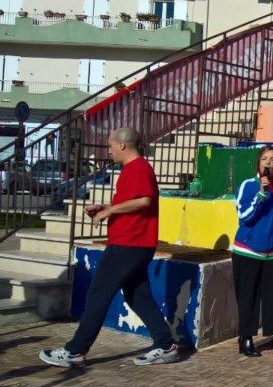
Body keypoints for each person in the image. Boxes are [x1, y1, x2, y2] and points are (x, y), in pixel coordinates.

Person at [39, 127, 180, 368]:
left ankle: (75, 351)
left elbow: (144, 200)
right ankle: (166, 345)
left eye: (110, 145)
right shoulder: (132, 169)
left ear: (123, 145)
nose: (109, 150)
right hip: (133, 244)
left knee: (98, 294)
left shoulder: (138, 168)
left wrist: (110, 211)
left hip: (129, 244)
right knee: (138, 296)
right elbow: (133, 201)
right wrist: (105, 207)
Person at [227, 146, 273, 357]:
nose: (268, 162)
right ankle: (246, 338)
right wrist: (261, 194)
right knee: (248, 296)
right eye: (264, 158)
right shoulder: (249, 185)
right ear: (259, 163)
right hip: (248, 251)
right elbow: (245, 217)